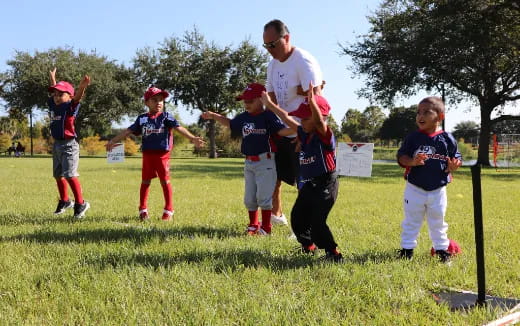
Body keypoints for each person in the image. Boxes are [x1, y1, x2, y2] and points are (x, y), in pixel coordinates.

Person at [261, 83, 343, 262]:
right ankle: (308, 247)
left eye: (305, 118)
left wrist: (311, 100)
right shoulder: (304, 134)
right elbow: (284, 116)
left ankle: (334, 253)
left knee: (317, 223)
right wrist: (269, 103)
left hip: (326, 184)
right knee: (297, 218)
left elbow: (319, 121)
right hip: (309, 184)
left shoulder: (325, 136)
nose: (301, 122)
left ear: (318, 117)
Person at [201, 83, 295, 235]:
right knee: (249, 198)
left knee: (264, 197)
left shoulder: (268, 116)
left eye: (251, 100)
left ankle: (266, 227)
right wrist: (214, 116)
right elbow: (231, 124)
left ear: (262, 99)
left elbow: (281, 131)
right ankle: (253, 225)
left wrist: (299, 129)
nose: (247, 103)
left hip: (266, 161)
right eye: (245, 101)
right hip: (249, 162)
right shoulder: (243, 117)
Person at [106, 86, 205, 222]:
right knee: (145, 181)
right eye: (154, 100)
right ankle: (142, 209)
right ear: (147, 102)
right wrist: (112, 141)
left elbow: (179, 127)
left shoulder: (166, 117)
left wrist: (192, 138)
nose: (159, 102)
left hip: (162, 155)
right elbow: (128, 131)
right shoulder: (142, 119)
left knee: (165, 181)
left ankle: (169, 210)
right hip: (148, 154)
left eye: (161, 100)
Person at [263, 19, 324, 226]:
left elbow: (317, 101)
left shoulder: (303, 61)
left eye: (273, 44)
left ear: (286, 38)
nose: (270, 50)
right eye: (266, 45)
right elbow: (270, 99)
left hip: (302, 133)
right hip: (281, 132)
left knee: (304, 184)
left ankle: (306, 226)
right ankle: (276, 216)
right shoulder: (272, 65)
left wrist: (306, 135)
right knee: (273, 179)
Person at [396, 96, 462, 263]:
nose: (420, 116)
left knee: (438, 222)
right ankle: (407, 250)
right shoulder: (413, 138)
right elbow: (401, 157)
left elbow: (457, 157)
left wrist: (455, 165)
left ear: (440, 117)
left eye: (426, 112)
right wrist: (412, 162)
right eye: (418, 112)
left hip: (438, 190)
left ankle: (442, 250)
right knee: (411, 221)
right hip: (415, 188)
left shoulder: (447, 138)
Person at [49, 68, 91, 219]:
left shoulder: (70, 108)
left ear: (69, 96)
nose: (57, 97)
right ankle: (65, 201)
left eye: (61, 94)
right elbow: (55, 91)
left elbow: (78, 97)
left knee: (70, 174)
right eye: (55, 94)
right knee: (58, 175)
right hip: (57, 145)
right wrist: (53, 79)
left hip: (69, 145)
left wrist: (82, 86)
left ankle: (81, 204)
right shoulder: (54, 105)